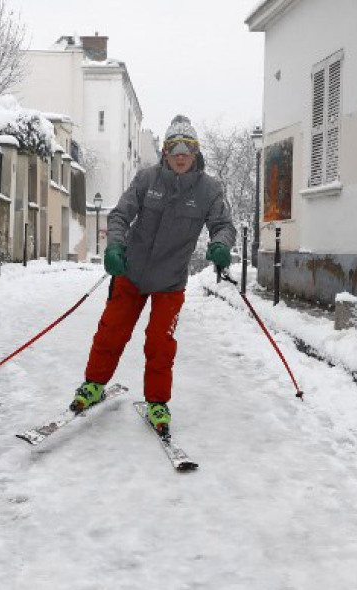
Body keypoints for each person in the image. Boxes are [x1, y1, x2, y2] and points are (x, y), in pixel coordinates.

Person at [70, 115, 233, 433]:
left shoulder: (209, 190)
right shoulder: (147, 179)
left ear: (196, 152)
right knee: (111, 331)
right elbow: (120, 214)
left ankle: (157, 402)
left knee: (160, 343)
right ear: (166, 152)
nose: (181, 153)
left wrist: (220, 245)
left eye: (188, 147)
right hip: (131, 273)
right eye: (174, 146)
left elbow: (223, 226)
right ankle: (93, 384)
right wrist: (115, 246)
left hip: (170, 282)